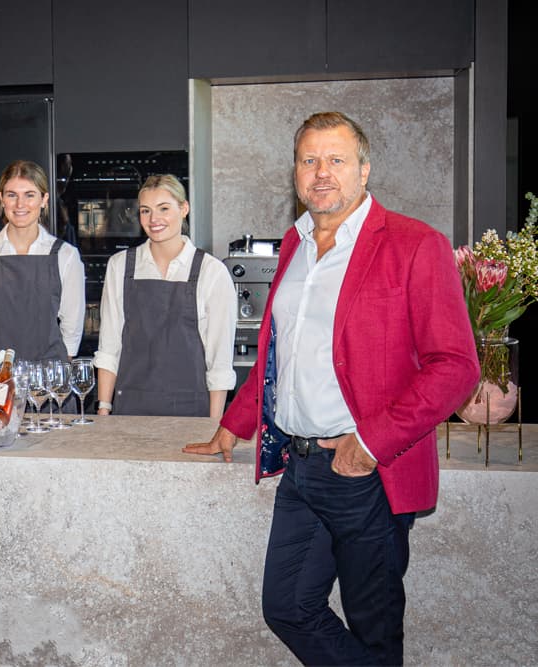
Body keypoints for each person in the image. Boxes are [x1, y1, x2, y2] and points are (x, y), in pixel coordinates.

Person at [184, 111, 479, 665]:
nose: (322, 173)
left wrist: (369, 444)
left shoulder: (417, 245)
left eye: (337, 160)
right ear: (295, 172)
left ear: (364, 171)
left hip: (368, 471)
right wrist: (233, 425)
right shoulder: (295, 246)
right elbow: (281, 354)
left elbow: (456, 365)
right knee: (288, 607)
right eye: (309, 160)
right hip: (300, 469)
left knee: (374, 627)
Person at [93, 174, 237, 417]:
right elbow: (109, 347)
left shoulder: (211, 271)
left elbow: (219, 360)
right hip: (129, 410)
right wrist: (104, 408)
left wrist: (214, 425)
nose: (154, 219)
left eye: (164, 209)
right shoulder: (120, 266)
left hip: (192, 411)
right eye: (145, 211)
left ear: (184, 209)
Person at [0, 159, 85, 362]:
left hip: (49, 380)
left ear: (44, 199)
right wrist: (1, 374)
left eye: (29, 195)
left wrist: (54, 379)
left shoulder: (66, 255)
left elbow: (71, 331)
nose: (20, 204)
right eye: (12, 195)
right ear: (1, 199)